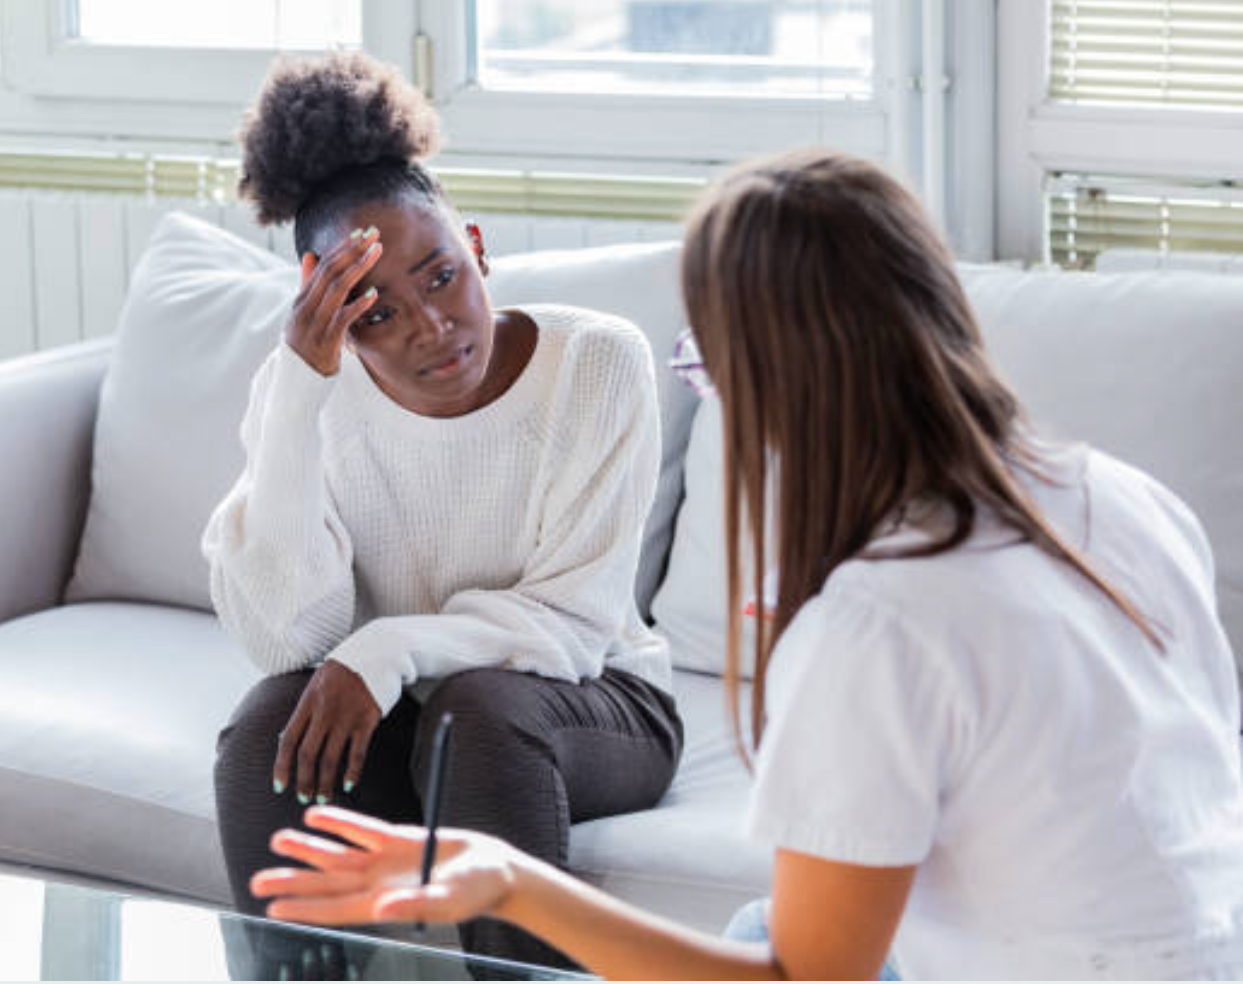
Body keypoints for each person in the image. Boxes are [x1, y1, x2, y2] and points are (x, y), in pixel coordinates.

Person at [247, 150, 1243, 979]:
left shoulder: (876, 624)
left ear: (769, 381)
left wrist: (506, 882)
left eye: (708, 361)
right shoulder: (1121, 499)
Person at [201, 51, 682, 970]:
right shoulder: (303, 391)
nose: (433, 326)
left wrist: (389, 648)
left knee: (476, 719)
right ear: (328, 311)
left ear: (478, 245)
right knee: (267, 727)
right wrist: (303, 387)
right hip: (403, 718)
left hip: (594, 704)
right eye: (374, 313)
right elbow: (284, 638)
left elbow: (576, 627)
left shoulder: (594, 364)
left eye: (441, 274)